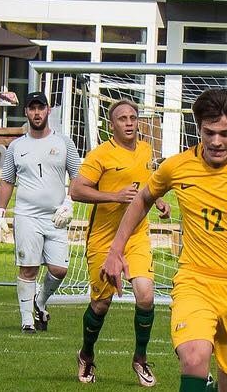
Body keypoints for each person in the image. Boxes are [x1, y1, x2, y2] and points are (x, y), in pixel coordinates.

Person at [101, 89, 227, 392]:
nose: (216, 141)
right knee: (193, 357)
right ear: (199, 128)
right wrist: (115, 250)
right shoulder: (177, 166)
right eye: (209, 132)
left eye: (225, 133)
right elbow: (143, 198)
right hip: (195, 281)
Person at [70, 99, 171, 387]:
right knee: (101, 304)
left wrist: (160, 201)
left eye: (133, 117)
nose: (129, 122)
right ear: (111, 125)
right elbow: (76, 190)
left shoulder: (146, 150)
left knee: (146, 295)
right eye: (122, 118)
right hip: (104, 238)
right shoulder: (100, 154)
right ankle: (86, 355)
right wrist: (115, 196)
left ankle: (140, 358)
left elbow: (148, 185)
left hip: (136, 236)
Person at [0, 91, 80, 334]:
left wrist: (69, 201)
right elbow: (7, 180)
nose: (36, 113)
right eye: (32, 108)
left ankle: (40, 301)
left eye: (40, 108)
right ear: (26, 112)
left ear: (48, 110)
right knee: (28, 267)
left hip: (56, 217)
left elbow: (77, 175)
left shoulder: (64, 142)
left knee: (59, 269)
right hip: (26, 216)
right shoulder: (16, 146)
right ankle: (27, 321)